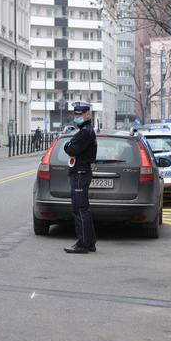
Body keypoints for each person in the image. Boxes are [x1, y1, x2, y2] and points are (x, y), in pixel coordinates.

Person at [63, 102, 98, 254]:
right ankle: (89, 242)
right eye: (75, 114)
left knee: (79, 209)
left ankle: (83, 244)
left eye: (79, 115)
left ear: (86, 115)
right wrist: (69, 144)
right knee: (84, 209)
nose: (76, 117)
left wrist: (68, 145)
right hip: (81, 172)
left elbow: (71, 149)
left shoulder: (85, 132)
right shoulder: (86, 131)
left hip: (80, 173)